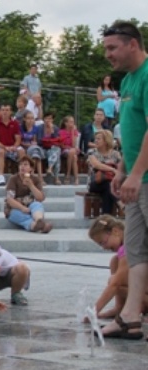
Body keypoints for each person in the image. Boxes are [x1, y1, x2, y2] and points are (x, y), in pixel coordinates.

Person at [101, 21, 148, 341]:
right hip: (136, 177)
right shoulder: (129, 81)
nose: (108, 55)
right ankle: (131, 317)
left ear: (132, 44)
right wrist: (121, 168)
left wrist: (136, 173)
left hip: (144, 177)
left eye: (112, 48)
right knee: (136, 250)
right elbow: (131, 132)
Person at [87, 215, 148, 322]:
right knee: (114, 261)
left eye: (103, 242)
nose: (104, 247)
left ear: (116, 231)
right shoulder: (119, 256)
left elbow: (115, 285)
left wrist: (94, 311)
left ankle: (131, 310)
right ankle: (119, 308)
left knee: (114, 281)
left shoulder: (128, 248)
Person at [4, 157, 53, 233]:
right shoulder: (13, 179)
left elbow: (40, 198)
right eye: (20, 165)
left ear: (31, 169)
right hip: (15, 208)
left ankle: (38, 220)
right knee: (18, 215)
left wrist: (31, 185)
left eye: (25, 164)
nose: (22, 167)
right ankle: (38, 226)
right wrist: (22, 208)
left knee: (37, 205)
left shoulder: (35, 179)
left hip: (30, 206)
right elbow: (10, 199)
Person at [87, 130, 122, 215]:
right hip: (95, 183)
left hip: (111, 183)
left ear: (106, 141)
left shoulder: (116, 154)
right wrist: (113, 169)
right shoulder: (92, 152)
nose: (96, 141)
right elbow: (96, 165)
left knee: (107, 189)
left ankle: (106, 219)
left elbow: (122, 168)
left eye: (99, 139)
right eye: (95, 139)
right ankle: (120, 204)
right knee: (108, 184)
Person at [36, 112, 62, 185]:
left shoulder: (55, 128)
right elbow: (39, 140)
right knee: (57, 153)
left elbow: (57, 140)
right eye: (46, 118)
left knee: (57, 150)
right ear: (43, 119)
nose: (48, 120)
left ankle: (50, 168)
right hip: (42, 148)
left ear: (53, 120)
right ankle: (56, 178)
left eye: (50, 118)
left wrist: (52, 130)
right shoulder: (40, 128)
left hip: (52, 149)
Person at [20, 111, 46, 181]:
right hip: (23, 147)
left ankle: (34, 175)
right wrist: (28, 145)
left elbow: (35, 141)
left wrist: (32, 144)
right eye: (28, 118)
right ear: (24, 119)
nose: (30, 120)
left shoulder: (35, 128)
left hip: (32, 148)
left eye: (32, 118)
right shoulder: (21, 128)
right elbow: (19, 141)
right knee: (36, 152)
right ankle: (38, 177)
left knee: (35, 152)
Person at [59, 116, 80, 185]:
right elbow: (62, 145)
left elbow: (74, 145)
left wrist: (72, 132)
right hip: (65, 150)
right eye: (70, 122)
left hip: (73, 149)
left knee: (72, 151)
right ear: (66, 123)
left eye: (73, 122)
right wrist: (69, 148)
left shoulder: (75, 131)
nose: (72, 123)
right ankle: (76, 178)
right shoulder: (61, 132)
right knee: (74, 157)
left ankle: (67, 175)